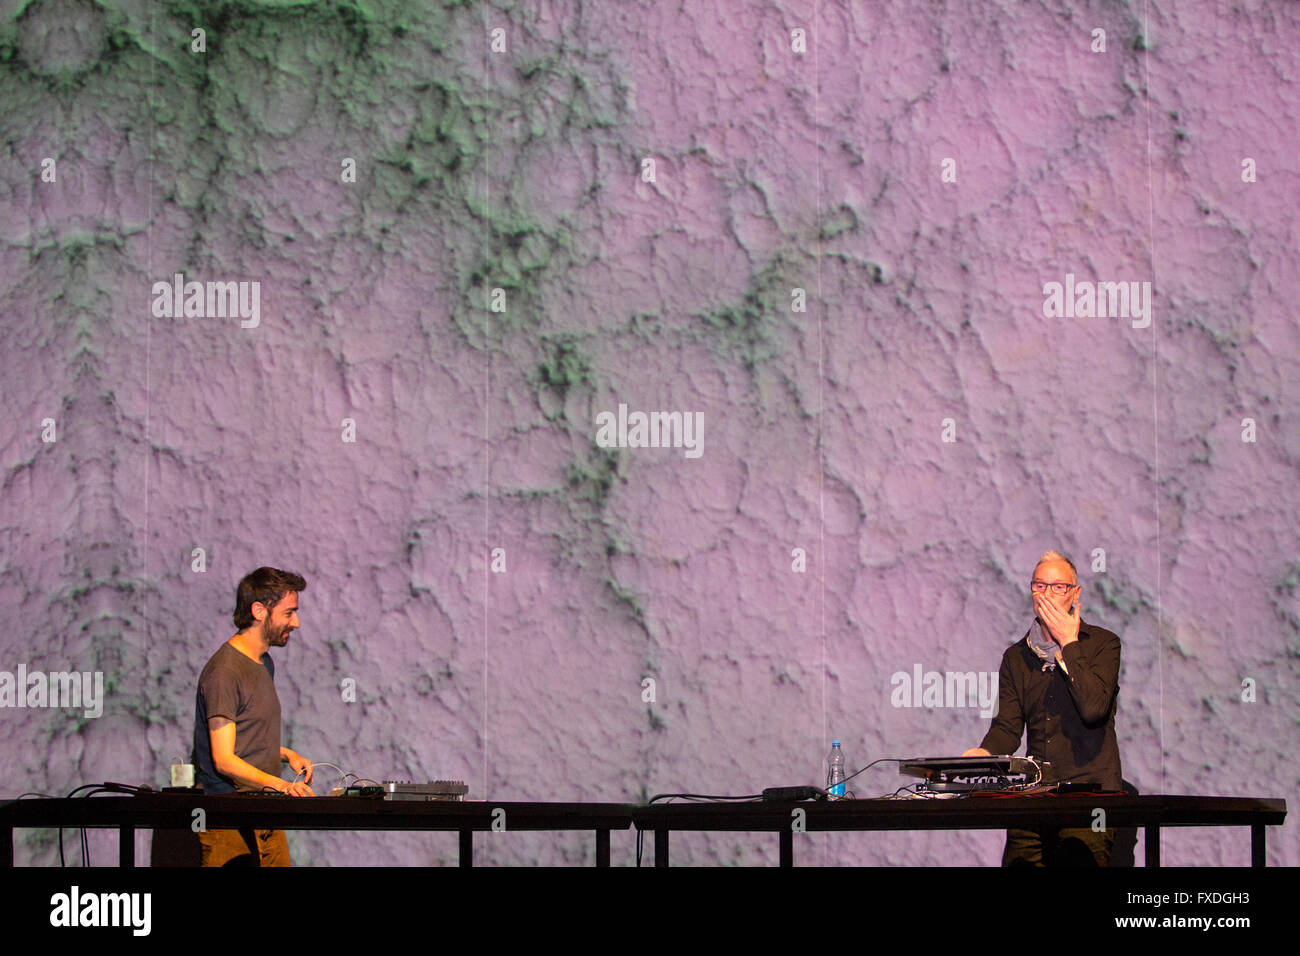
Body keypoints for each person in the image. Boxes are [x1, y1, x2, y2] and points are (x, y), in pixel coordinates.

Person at [963, 551, 1122, 866]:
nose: (1047, 595)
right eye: (1039, 586)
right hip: (1033, 796)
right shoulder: (1016, 657)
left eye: (1058, 587)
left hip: (1089, 798)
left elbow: (1094, 710)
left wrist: (1068, 643)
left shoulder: (1103, 644)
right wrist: (984, 754)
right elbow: (1007, 729)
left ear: (1075, 594)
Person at [191, 567, 315, 866]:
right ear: (259, 611)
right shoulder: (225, 672)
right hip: (228, 817)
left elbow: (244, 738)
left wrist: (285, 754)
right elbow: (223, 759)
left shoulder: (263, 663)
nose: (296, 623)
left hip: (263, 807)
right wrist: (283, 785)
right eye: (289, 613)